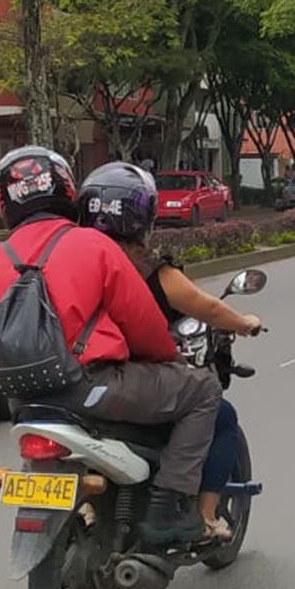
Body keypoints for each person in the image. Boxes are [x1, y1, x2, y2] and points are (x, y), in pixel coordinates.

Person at [0, 146, 222, 545]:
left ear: (4, 201)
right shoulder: (92, 244)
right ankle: (168, 505)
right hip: (89, 388)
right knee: (204, 389)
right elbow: (143, 323)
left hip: (24, 402)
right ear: (66, 188)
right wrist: (169, 358)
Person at [77, 163, 262, 542]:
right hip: (125, 382)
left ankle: (89, 506)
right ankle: (198, 513)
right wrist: (244, 323)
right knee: (217, 409)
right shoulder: (146, 269)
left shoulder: (69, 261)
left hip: (71, 379)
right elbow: (207, 308)